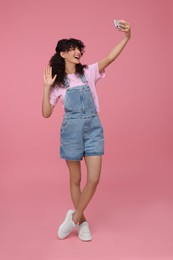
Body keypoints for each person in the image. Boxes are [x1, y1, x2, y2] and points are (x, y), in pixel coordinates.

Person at [42, 19, 131, 241]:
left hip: (93, 129)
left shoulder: (89, 72)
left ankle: (73, 217)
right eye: (72, 49)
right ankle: (82, 223)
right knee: (75, 179)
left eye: (79, 49)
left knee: (94, 179)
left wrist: (127, 37)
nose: (77, 52)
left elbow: (110, 57)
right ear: (62, 53)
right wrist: (46, 88)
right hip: (71, 131)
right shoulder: (58, 83)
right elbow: (46, 113)